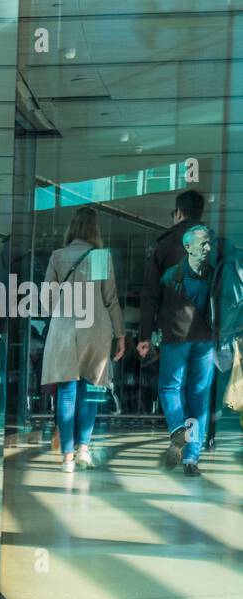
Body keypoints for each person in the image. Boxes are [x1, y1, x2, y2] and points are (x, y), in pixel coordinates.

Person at [40, 206, 125, 473]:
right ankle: (84, 450)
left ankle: (66, 456)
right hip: (95, 329)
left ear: (72, 228)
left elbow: (46, 301)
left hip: (64, 329)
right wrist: (121, 334)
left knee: (66, 392)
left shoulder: (58, 256)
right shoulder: (100, 256)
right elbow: (110, 299)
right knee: (90, 391)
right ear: (95, 230)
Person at [138, 189, 215, 477]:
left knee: (170, 387)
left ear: (179, 212)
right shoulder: (214, 244)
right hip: (207, 333)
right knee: (198, 395)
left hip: (175, 330)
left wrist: (144, 336)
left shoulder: (165, 243)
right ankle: (191, 459)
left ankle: (178, 428)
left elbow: (149, 294)